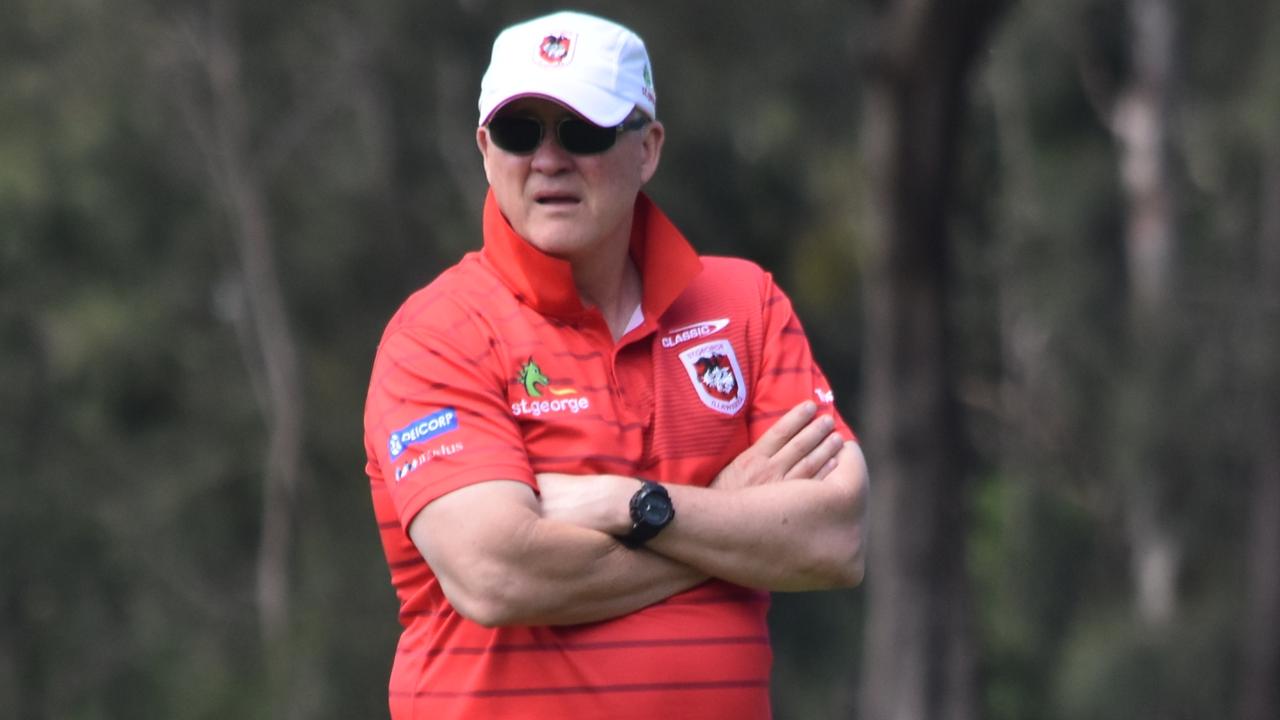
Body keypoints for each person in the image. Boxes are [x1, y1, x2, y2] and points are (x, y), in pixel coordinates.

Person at [362, 10, 868, 719]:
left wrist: (624, 505)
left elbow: (834, 537)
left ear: (648, 146)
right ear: (484, 149)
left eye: (583, 130)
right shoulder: (439, 332)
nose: (547, 159)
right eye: (518, 132)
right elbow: (497, 575)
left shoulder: (745, 303)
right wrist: (725, 519)